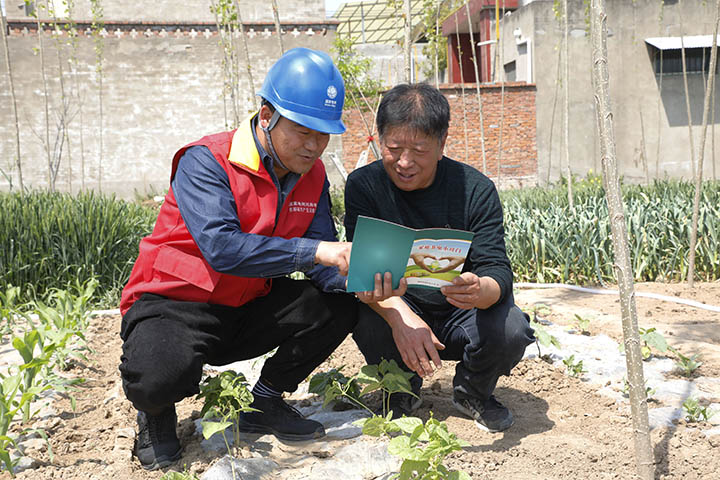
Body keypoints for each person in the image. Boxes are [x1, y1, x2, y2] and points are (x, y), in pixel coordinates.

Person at [119, 47, 358, 470]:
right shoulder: (207, 160)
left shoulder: (313, 174)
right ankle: (155, 413)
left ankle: (265, 400)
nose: (314, 146)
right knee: (158, 377)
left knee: (340, 305)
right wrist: (317, 251)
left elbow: (322, 259)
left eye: (323, 135)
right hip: (175, 303)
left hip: (246, 302)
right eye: (303, 131)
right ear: (266, 116)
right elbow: (222, 247)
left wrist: (361, 277)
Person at [345, 83, 536, 433]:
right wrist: (401, 318)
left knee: (512, 328)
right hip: (400, 306)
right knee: (360, 310)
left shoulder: (474, 189)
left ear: (442, 143)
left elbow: (497, 269)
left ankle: (473, 391)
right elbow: (363, 271)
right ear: (380, 139)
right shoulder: (364, 186)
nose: (404, 162)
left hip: (461, 311)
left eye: (419, 150)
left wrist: (480, 289)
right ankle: (400, 389)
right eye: (394, 148)